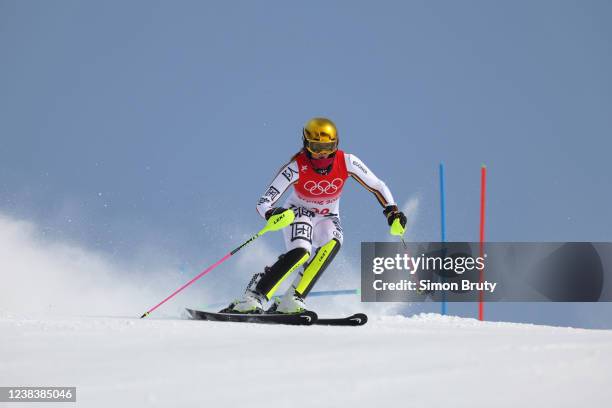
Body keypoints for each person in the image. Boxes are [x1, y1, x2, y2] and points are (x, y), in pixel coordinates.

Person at [221, 117, 406, 314]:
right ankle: (254, 296)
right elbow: (264, 202)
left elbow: (377, 185)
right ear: (306, 145)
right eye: (316, 147)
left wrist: (392, 212)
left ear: (337, 144)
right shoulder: (295, 167)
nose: (322, 154)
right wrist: (273, 213)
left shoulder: (348, 161)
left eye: (328, 147)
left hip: (327, 217)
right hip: (298, 212)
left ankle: (293, 298)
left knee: (333, 242)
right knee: (302, 251)